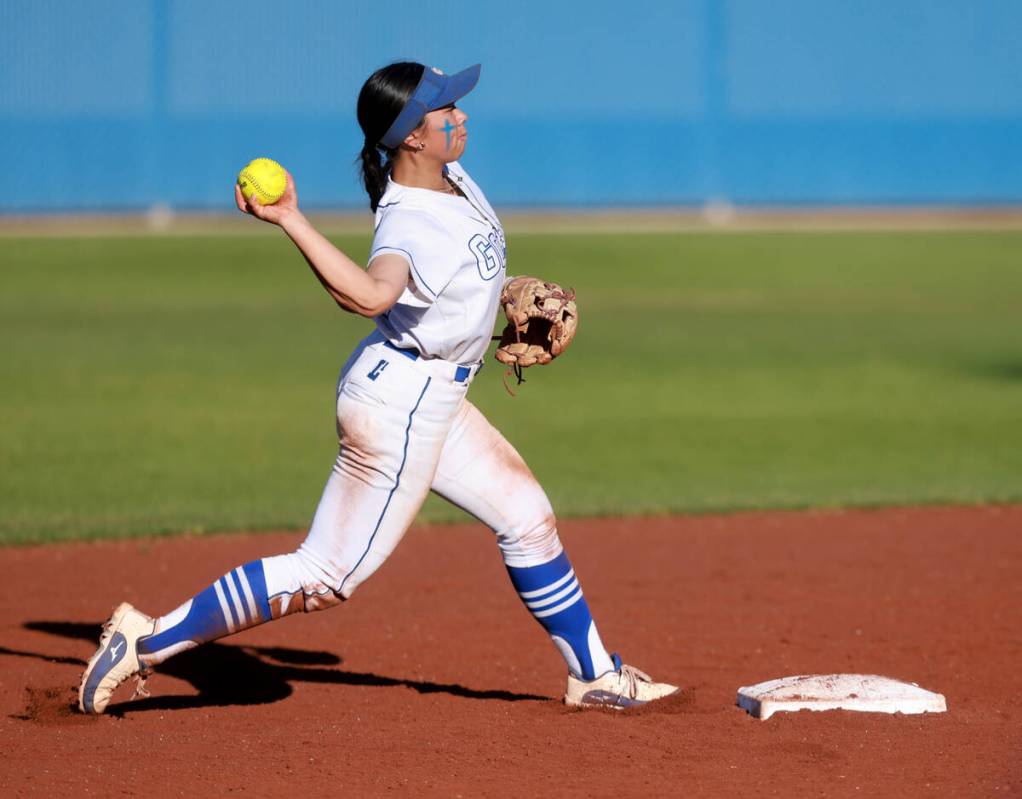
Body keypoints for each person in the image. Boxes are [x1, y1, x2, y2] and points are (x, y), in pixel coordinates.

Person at [78, 61, 678, 714]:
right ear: (411, 138)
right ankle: (146, 639)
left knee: (528, 517)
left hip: (433, 397)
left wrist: (503, 300)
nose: (461, 114)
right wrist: (290, 218)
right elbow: (370, 294)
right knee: (326, 574)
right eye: (444, 109)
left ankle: (595, 674)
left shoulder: (453, 179)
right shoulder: (408, 222)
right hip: (401, 408)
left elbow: (455, 276)